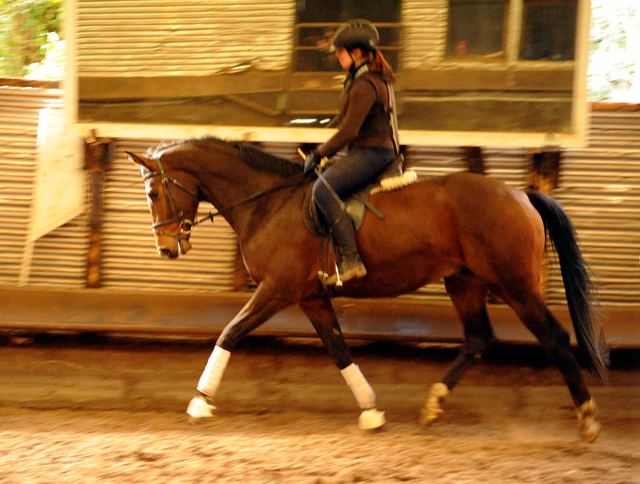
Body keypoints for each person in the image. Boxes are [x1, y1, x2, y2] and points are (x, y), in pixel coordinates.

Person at [304, 19, 399, 285]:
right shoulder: (373, 78)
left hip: (373, 153)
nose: (336, 56)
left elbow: (348, 132)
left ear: (356, 53)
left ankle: (350, 260)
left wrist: (318, 154)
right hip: (373, 150)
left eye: (340, 51)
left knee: (321, 189)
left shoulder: (365, 84)